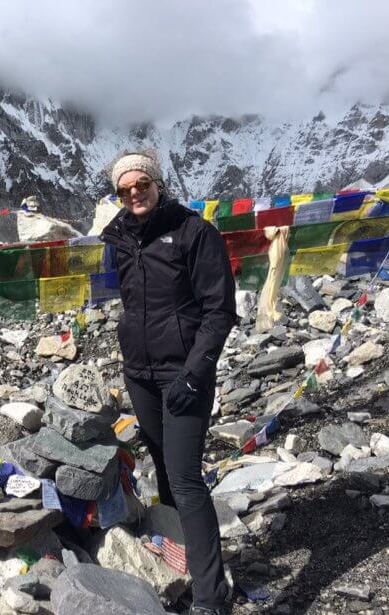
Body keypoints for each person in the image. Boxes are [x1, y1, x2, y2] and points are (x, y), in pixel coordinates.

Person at [100, 152, 236, 615]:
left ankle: (211, 598)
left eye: (143, 183)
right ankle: (184, 566)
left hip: (185, 374)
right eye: (125, 188)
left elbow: (220, 311)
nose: (134, 192)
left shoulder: (195, 233)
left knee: (186, 478)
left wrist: (196, 373)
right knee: (162, 468)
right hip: (140, 374)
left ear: (158, 183)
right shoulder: (119, 239)